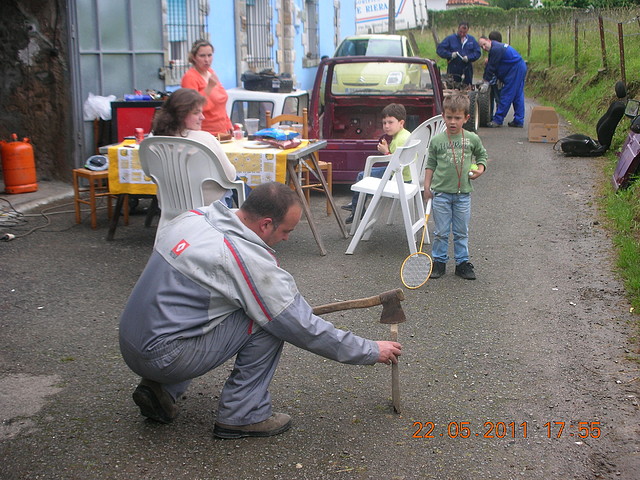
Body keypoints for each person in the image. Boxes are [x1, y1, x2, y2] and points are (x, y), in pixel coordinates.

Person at [118, 182, 402, 439]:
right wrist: (370, 350)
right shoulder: (242, 257)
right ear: (266, 224)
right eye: (286, 231)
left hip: (132, 342)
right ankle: (244, 415)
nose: (288, 238)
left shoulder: (194, 217)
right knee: (268, 322)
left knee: (210, 309)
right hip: (162, 356)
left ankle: (161, 390)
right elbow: (300, 327)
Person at [423, 93, 487, 280]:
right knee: (441, 232)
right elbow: (430, 165)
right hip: (441, 194)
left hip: (463, 195)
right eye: (449, 117)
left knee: (461, 231)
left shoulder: (472, 139)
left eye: (457, 118)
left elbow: (482, 156)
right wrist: (427, 187)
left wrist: (480, 169)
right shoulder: (436, 141)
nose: (452, 122)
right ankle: (439, 262)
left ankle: (462, 263)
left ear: (466, 118)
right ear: (443, 116)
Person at [152, 88, 248, 208]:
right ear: (181, 114)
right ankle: (259, 216)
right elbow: (230, 176)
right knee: (237, 181)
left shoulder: (153, 142)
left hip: (170, 206)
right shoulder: (204, 139)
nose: (202, 117)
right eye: (196, 113)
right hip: (208, 207)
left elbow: (155, 178)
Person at [342, 103, 411, 224]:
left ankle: (357, 210)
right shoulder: (406, 134)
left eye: (390, 122)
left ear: (401, 123)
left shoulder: (399, 140)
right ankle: (355, 205)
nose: (386, 126)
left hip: (398, 177)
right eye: (384, 123)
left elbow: (395, 163)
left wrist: (385, 151)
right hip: (406, 174)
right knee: (365, 174)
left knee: (362, 175)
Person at [181, 39, 233, 135]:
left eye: (209, 55)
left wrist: (228, 124)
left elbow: (221, 104)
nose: (207, 60)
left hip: (222, 132)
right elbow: (192, 107)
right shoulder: (190, 77)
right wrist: (209, 87)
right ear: (194, 57)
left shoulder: (211, 73)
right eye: (202, 56)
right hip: (204, 133)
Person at [478, 36, 527, 128]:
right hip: (519, 67)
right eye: (482, 47)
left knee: (507, 93)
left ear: (489, 41)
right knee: (517, 94)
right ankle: (519, 120)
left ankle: (498, 119)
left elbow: (491, 67)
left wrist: (486, 82)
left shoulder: (496, 49)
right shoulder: (496, 48)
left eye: (484, 44)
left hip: (515, 69)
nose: (484, 48)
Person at [436, 22, 482, 87]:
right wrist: (450, 54)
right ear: (458, 29)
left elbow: (477, 52)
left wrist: (469, 57)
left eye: (464, 32)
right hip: (453, 68)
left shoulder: (471, 40)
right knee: (452, 87)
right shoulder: (450, 39)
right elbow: (439, 50)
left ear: (467, 31)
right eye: (460, 32)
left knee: (467, 88)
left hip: (467, 69)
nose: (462, 34)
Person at [486, 31, 503, 118]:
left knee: (497, 98)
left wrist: (486, 79)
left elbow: (492, 66)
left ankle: (497, 117)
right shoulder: (499, 48)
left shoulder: (496, 49)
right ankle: (492, 116)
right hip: (494, 79)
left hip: (496, 79)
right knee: (492, 97)